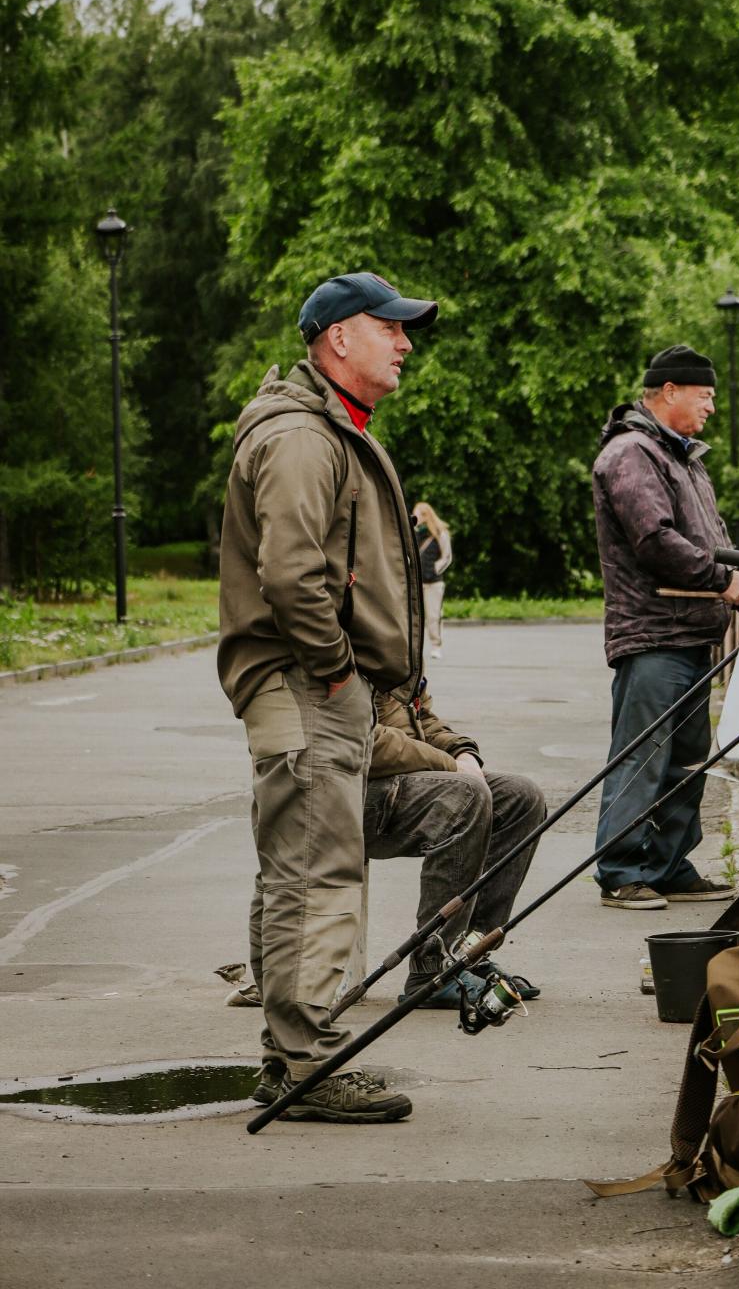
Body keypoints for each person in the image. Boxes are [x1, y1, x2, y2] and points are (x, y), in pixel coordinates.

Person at [219, 269, 437, 1124]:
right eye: (390, 327)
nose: (405, 342)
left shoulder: (323, 429)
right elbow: (289, 574)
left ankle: (288, 1060)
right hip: (308, 685)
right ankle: (308, 1065)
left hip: (312, 684)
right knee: (317, 875)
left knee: (295, 874)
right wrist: (341, 672)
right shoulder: (305, 438)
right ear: (338, 337)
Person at [591, 344, 739, 910]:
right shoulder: (631, 453)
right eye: (705, 396)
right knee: (641, 755)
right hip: (653, 634)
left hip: (690, 633)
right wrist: (723, 581)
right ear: (669, 392)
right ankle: (620, 871)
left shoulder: (683, 457)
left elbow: (710, 537)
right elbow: (656, 541)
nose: (712, 407)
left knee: (687, 756)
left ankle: (665, 865)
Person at [365, 681, 545, 1006]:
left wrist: (462, 750)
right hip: (349, 792)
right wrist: (449, 765)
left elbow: (419, 721)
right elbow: (363, 742)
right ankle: (432, 971)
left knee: (522, 797)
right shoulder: (357, 641)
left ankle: (468, 955)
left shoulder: (401, 640)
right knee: (465, 795)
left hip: (400, 775)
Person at [413, 501, 453, 660]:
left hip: (433, 583)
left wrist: (435, 570)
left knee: (433, 616)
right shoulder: (413, 533)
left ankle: (436, 646)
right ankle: (415, 648)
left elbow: (447, 557)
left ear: (425, 515)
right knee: (415, 616)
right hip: (417, 583)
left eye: (416, 513)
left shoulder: (440, 533)